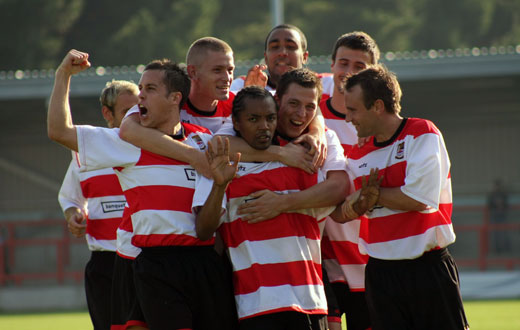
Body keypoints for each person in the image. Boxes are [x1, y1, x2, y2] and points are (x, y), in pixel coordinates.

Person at [48, 51, 237, 330]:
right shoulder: (126, 143)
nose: (140, 97)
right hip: (154, 262)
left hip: (205, 263)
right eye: (140, 89)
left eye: (150, 89)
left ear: (175, 98)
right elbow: (59, 131)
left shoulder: (203, 139)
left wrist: (222, 184)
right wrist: (63, 74)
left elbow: (205, 227)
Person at [196, 86, 376, 330]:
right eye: (253, 119)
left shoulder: (302, 164)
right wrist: (219, 185)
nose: (264, 126)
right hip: (255, 306)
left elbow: (336, 208)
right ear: (235, 123)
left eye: (270, 118)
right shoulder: (223, 168)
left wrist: (360, 204)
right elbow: (204, 230)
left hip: (311, 302)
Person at [332, 64, 469, 330]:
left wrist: (371, 196)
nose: (348, 118)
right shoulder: (357, 155)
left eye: (353, 110)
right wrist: (359, 202)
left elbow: (418, 198)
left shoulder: (422, 133)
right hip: (379, 274)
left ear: (378, 106)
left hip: (427, 269)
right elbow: (340, 210)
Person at [57, 79, 138, 330]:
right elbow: (70, 199)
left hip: (143, 259)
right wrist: (74, 215)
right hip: (105, 264)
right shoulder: (85, 155)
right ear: (107, 113)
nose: (135, 117)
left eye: (139, 110)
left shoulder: (151, 148)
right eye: (127, 112)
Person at [319, 31, 380, 330]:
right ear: (331, 65)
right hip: (317, 255)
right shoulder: (309, 111)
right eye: (343, 63)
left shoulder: (381, 124)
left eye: (360, 66)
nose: (349, 72)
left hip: (364, 258)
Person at [487, 179, 511, 253]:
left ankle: (505, 249)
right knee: (495, 234)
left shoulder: (503, 195)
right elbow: (489, 205)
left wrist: (502, 207)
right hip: (494, 217)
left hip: (502, 217)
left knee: (504, 233)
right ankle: (497, 250)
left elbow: (506, 205)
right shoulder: (492, 195)